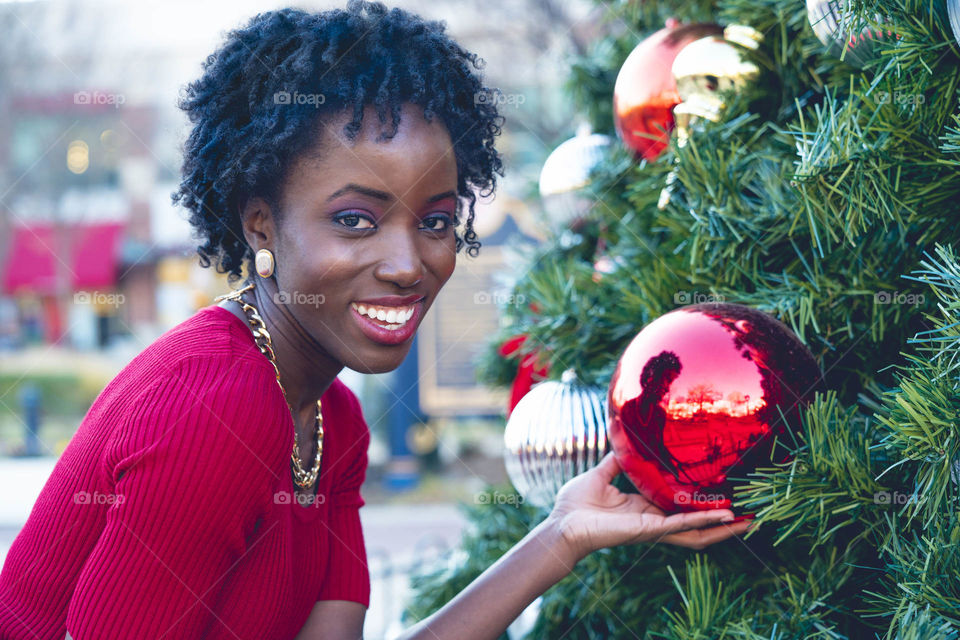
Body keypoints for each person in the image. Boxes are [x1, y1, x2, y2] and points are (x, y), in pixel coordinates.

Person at [0, 2, 750, 639]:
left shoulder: (332, 418)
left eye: (436, 220)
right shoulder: (214, 405)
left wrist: (561, 536)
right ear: (260, 225)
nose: (407, 263)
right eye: (355, 219)